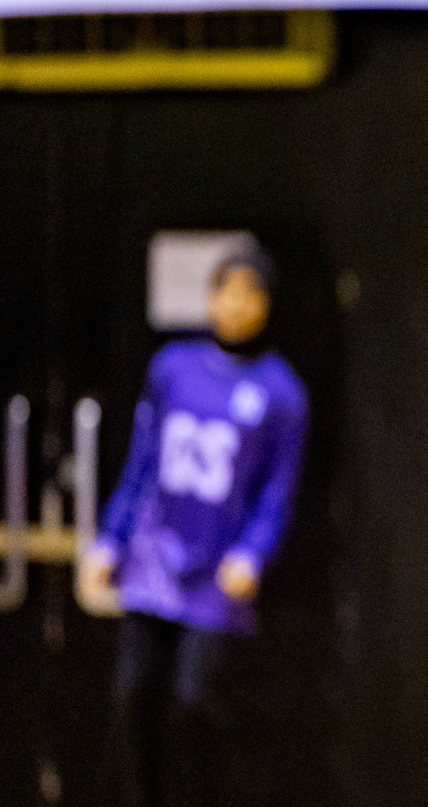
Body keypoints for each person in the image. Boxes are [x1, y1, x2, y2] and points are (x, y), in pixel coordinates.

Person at [81, 238, 309, 807]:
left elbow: (276, 493)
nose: (234, 305)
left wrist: (252, 553)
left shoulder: (283, 395)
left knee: (193, 705)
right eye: (224, 291)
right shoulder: (172, 368)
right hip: (155, 557)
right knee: (131, 696)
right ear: (209, 298)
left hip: (215, 573)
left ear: (266, 304)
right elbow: (140, 464)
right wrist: (109, 540)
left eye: (248, 294)